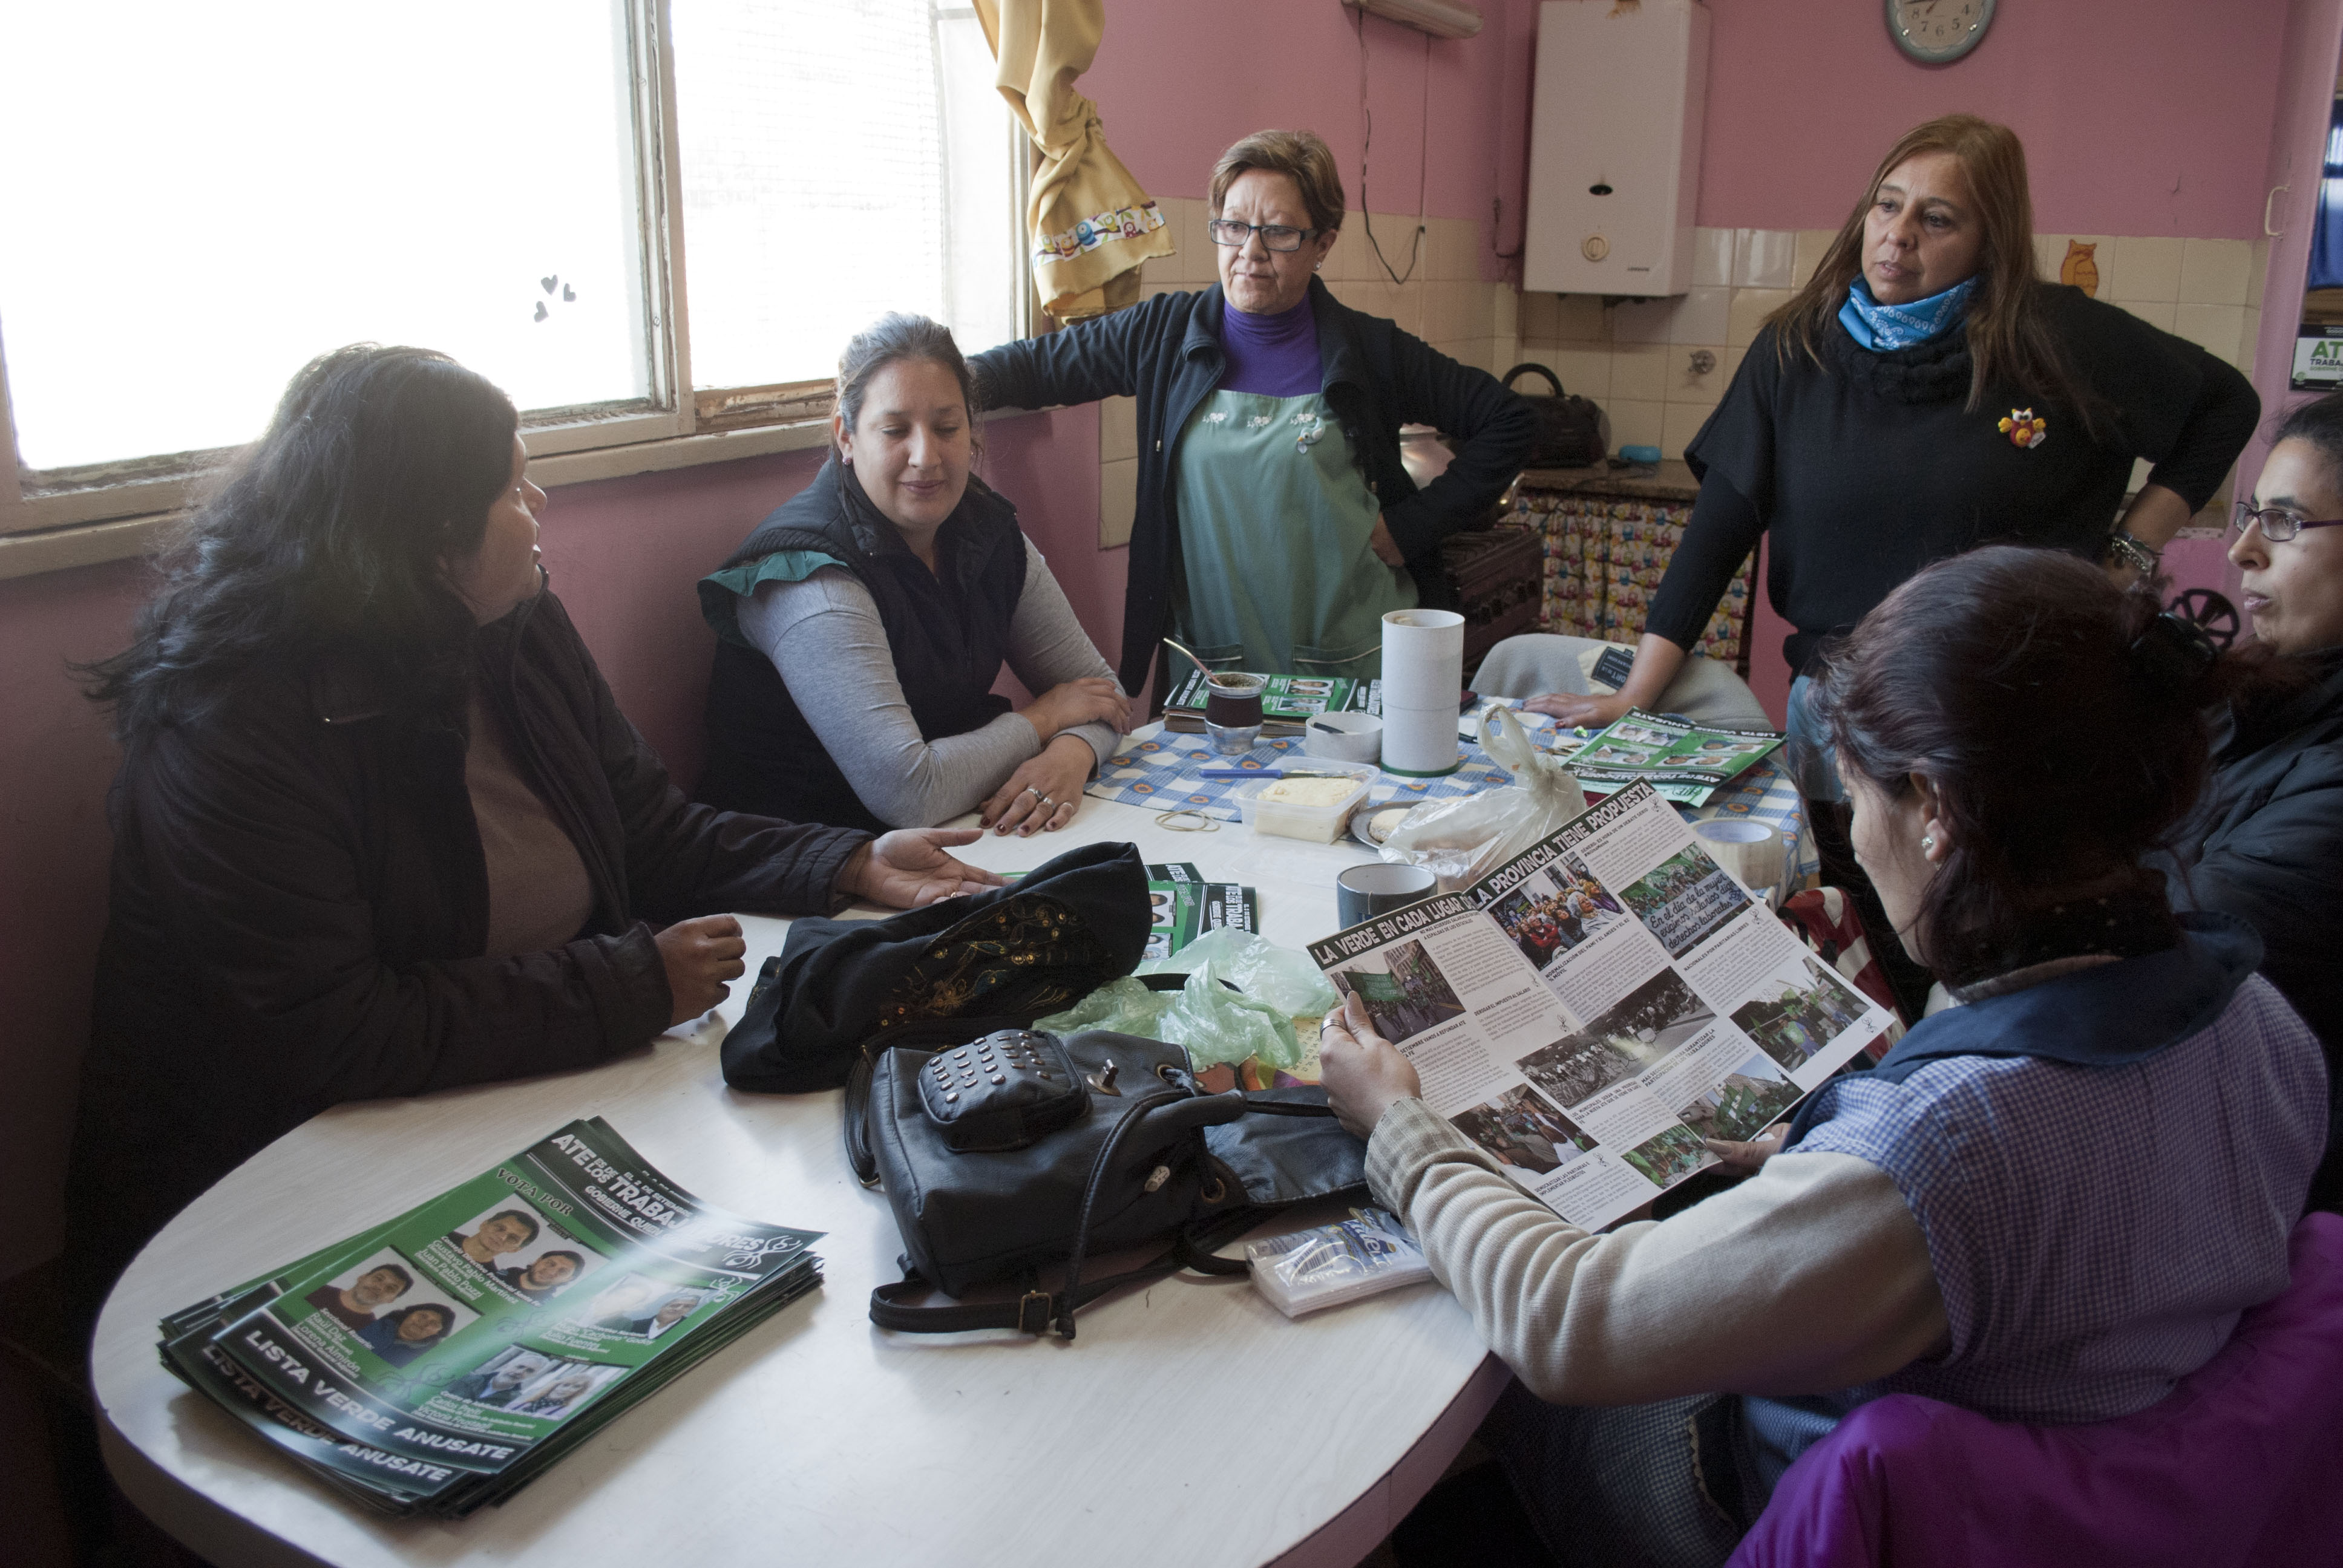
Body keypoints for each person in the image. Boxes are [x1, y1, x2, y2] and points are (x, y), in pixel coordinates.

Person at [1321, 545, 2324, 1567]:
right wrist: (1804, 1169)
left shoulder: (1940, 1151)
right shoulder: (2259, 1020)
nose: (1862, 843)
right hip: (2127, 1487)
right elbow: (2064, 1216)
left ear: (1934, 810)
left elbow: (1566, 1319)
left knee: (1469, 1370)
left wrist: (1405, 1127)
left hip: (1826, 1513)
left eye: (1856, 803)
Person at [65, 344, 1005, 1326]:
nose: (541, 504)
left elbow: (648, 826)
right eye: (514, 488)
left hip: (506, 1100)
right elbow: (334, 1030)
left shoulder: (512, 624)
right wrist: (631, 984)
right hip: (266, 1186)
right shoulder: (230, 727)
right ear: (428, 536)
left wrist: (844, 859)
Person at [969, 129, 1536, 694]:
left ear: (1323, 244)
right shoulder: (1163, 335)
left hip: (1355, 666)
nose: (1251, 252)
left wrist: (1413, 526)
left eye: (1280, 232)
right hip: (1213, 670)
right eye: (1234, 226)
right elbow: (1033, 367)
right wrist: (917, 382)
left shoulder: (1370, 351)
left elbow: (1511, 420)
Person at [697, 314, 1129, 839]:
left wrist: (1071, 751)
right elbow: (909, 793)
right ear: (846, 437)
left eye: (947, 428)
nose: (926, 457)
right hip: (811, 865)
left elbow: (1102, 694)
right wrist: (1044, 720)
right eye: (895, 430)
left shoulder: (987, 530)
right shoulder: (810, 578)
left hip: (955, 829)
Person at [2152, 390, 2343, 1209]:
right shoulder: (2273, 694)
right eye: (2250, 515)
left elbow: (2164, 945)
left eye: (2287, 522)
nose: (2242, 552)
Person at [301, 1263, 413, 1331]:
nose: (380, 1287)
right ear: (362, 1277)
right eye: (378, 1278)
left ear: (391, 1300)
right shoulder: (315, 1289)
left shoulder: (369, 1331)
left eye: (391, 1289)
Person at [357, 1304, 456, 1367]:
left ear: (438, 1333)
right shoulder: (373, 1323)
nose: (424, 1323)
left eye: (434, 1324)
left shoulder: (424, 1361)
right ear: (410, 1314)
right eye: (423, 1316)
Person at [446, 1351, 552, 1407]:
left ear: (532, 1376)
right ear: (508, 1365)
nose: (520, 1372)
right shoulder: (465, 1378)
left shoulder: (515, 1401)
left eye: (529, 1371)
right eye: (520, 1367)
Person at [448, 1210, 539, 1268]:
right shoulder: (444, 1234)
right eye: (500, 1228)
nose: (502, 1237)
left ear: (515, 1249)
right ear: (484, 1224)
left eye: (513, 1238)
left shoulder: (489, 1278)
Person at [496, 1249, 585, 1303]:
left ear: (568, 1279)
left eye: (563, 1271)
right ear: (538, 1260)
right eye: (550, 1264)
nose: (551, 1272)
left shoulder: (545, 1304)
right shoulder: (504, 1273)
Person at [509, 1371, 598, 1419]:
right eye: (565, 1385)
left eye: (576, 1387)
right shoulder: (518, 1404)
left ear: (579, 1392)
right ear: (557, 1385)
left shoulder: (563, 1414)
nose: (567, 1389)